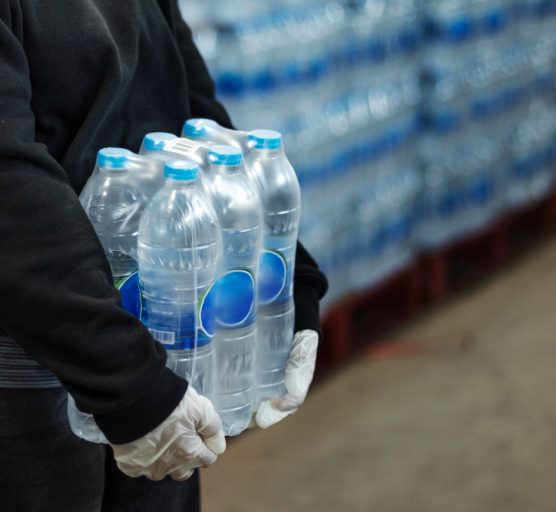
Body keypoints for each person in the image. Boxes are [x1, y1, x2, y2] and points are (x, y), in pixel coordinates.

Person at [0, 1, 328, 511]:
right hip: (32, 381)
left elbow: (189, 111)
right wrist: (128, 382)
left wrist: (285, 273)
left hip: (156, 353)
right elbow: (9, 187)